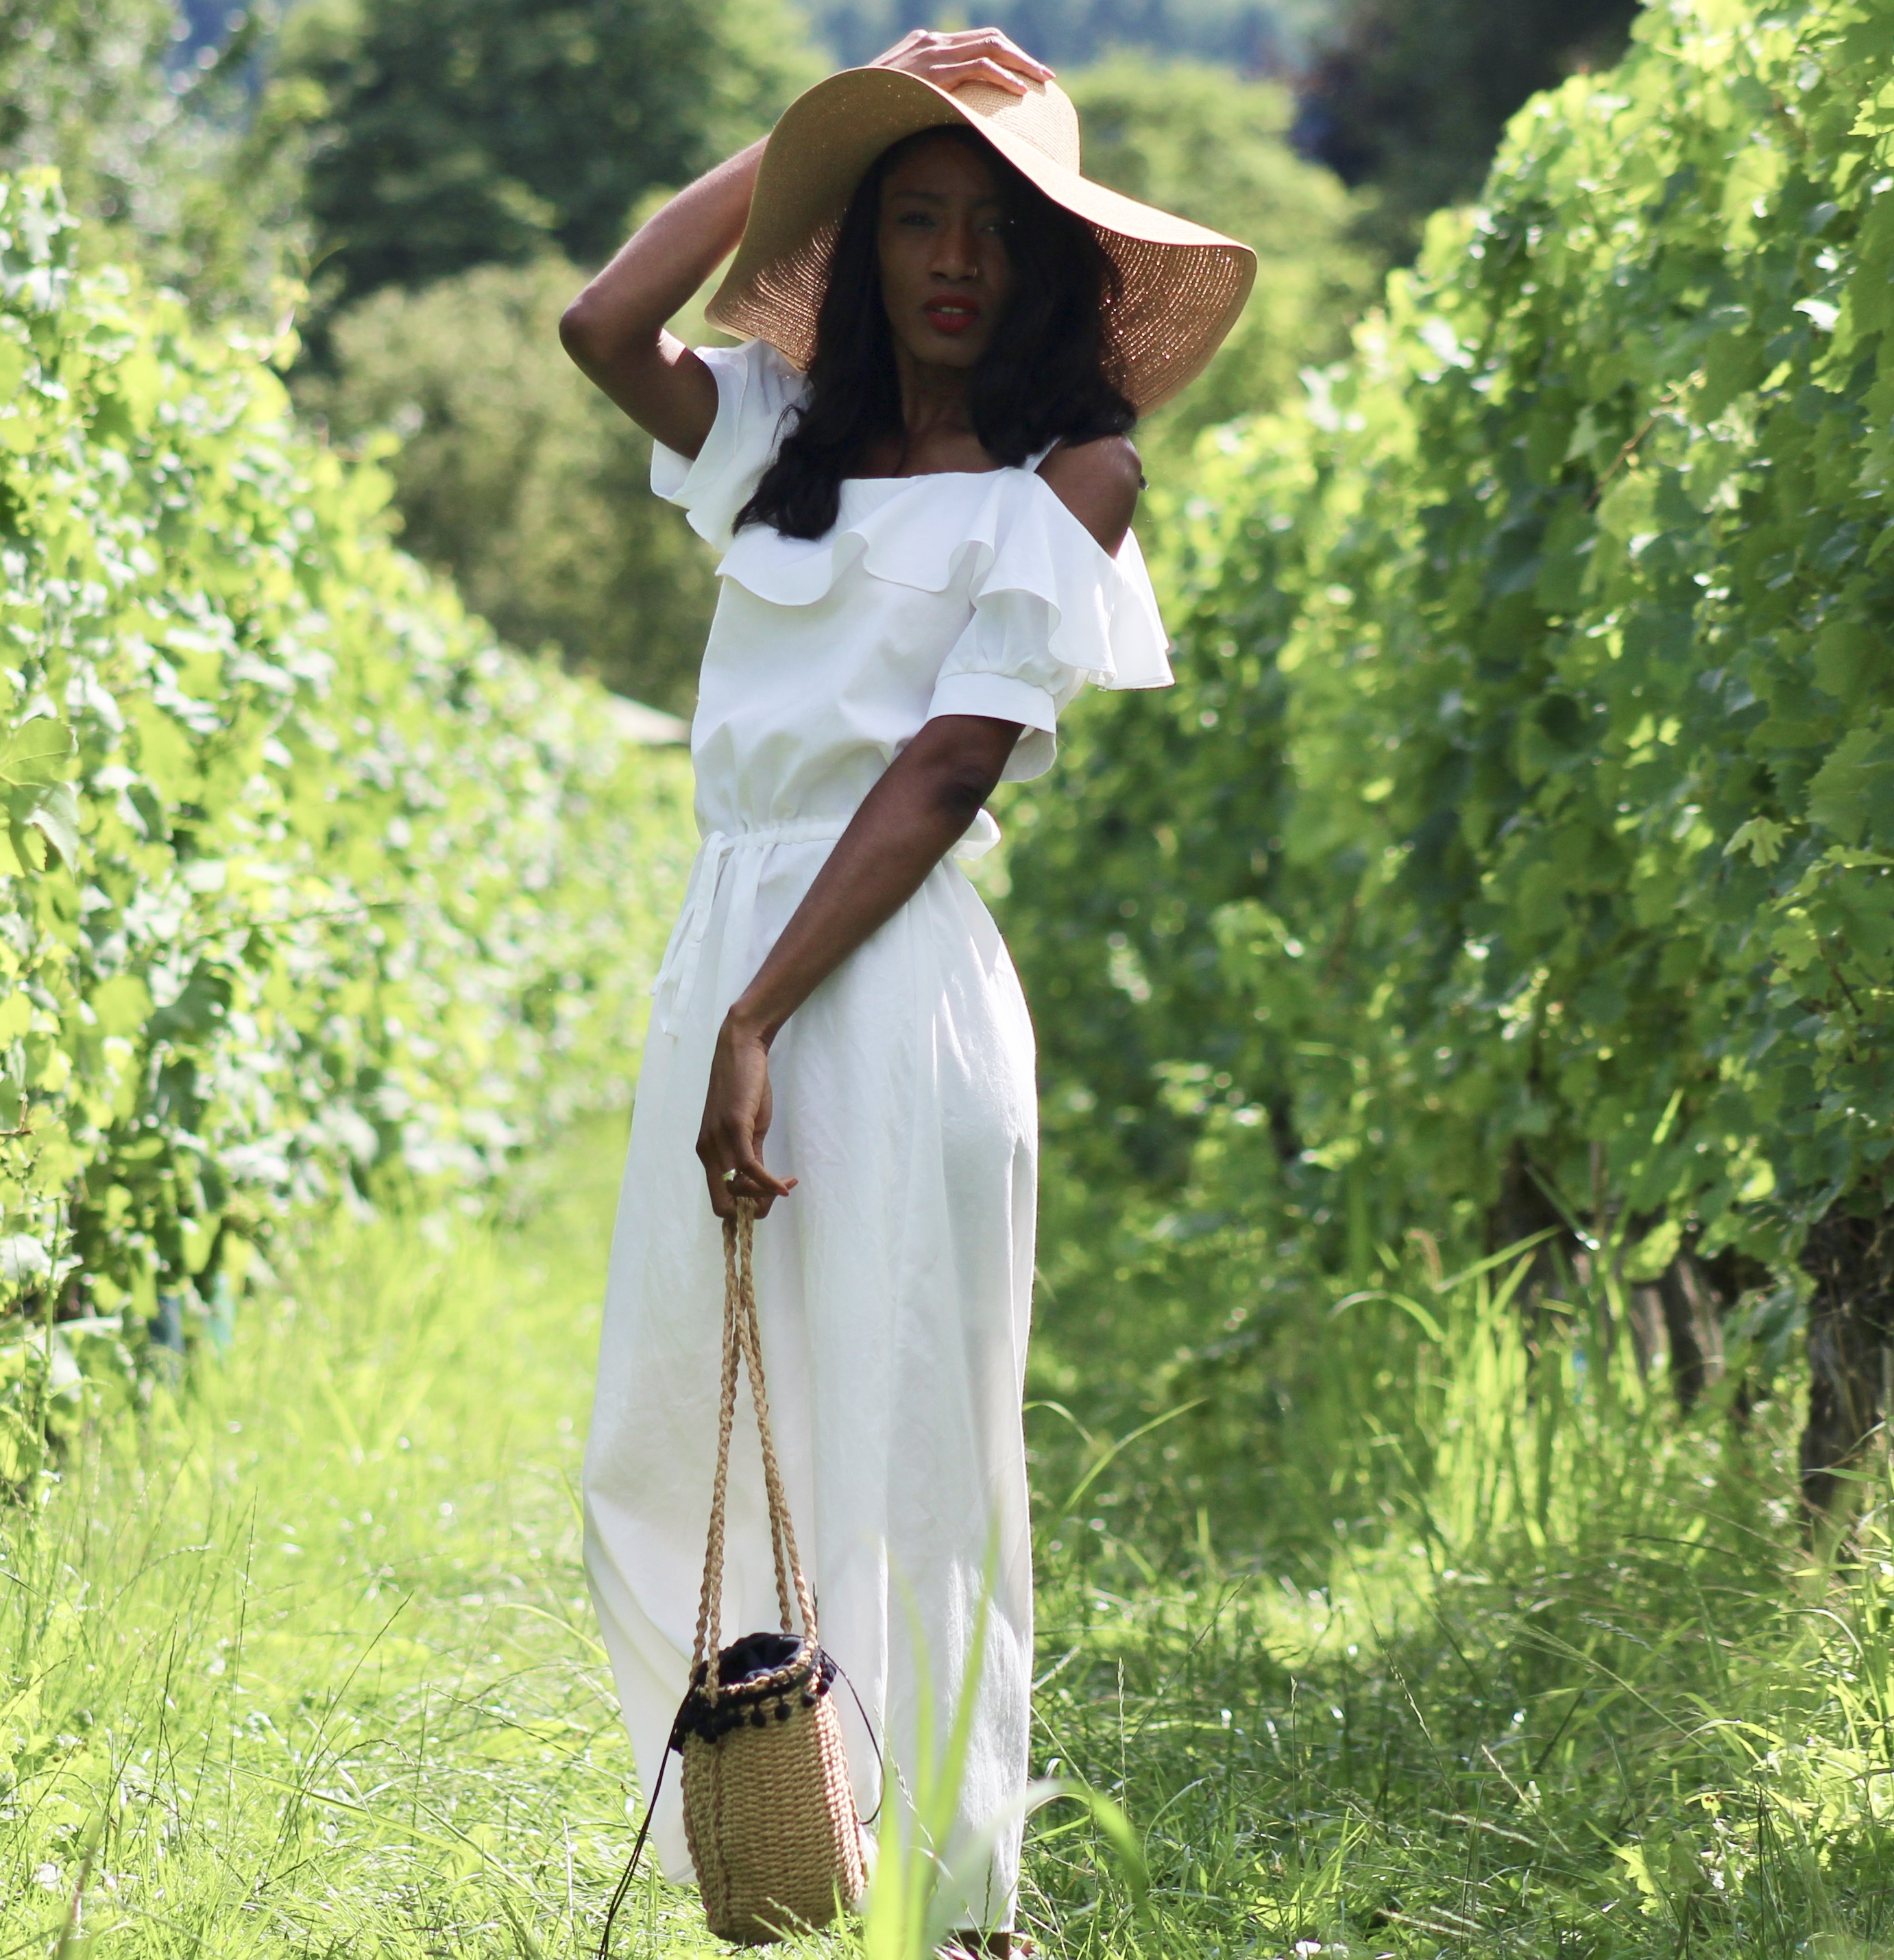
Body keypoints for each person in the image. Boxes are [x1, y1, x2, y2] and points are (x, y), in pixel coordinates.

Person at [562, 27, 1252, 1950]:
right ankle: (791, 1854)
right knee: (666, 1422)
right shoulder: (774, 431)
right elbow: (604, 322)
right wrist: (819, 125)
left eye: (993, 230)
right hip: (736, 951)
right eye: (913, 218)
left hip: (881, 974)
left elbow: (946, 768)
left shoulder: (1076, 470)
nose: (953, 260)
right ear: (859, 249)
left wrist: (763, 1017)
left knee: (917, 1439)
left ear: (1050, 270)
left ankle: (958, 1903)